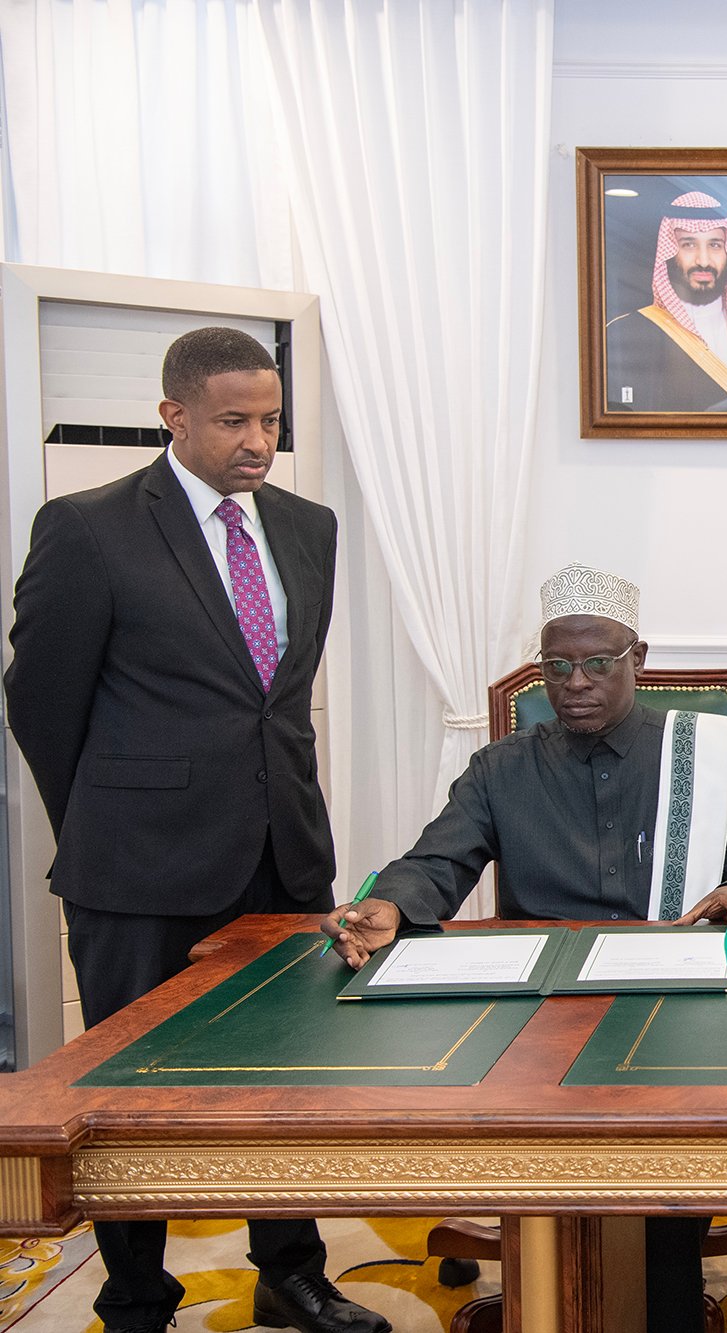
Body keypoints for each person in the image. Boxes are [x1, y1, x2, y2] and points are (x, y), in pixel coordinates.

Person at [4, 328, 388, 1333]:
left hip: (283, 852)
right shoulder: (88, 528)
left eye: (268, 420)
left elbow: (278, 698)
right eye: (233, 421)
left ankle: (290, 1272)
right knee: (131, 1089)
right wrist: (103, 812)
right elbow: (41, 698)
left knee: (285, 1082)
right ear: (172, 414)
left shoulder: (308, 525)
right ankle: (138, 1291)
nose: (256, 440)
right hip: (135, 864)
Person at [323, 562, 727, 1333]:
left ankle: (660, 1300)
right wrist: (390, 905)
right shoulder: (501, 769)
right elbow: (439, 860)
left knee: (658, 1146)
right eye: (556, 666)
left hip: (667, 1003)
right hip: (539, 1011)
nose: (576, 682)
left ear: (639, 658)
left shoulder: (698, 756)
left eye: (598, 662)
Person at [604, 190, 727, 413]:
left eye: (715, 245)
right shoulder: (626, 329)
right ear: (670, 252)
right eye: (688, 244)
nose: (703, 261)